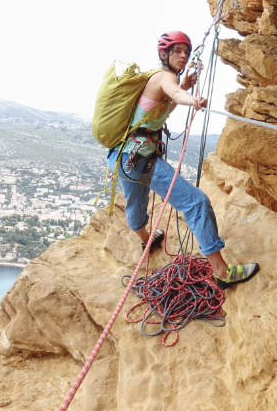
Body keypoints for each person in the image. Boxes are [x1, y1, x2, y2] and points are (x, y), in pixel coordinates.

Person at [107, 30, 259, 289]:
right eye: (177, 51)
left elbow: (165, 102)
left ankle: (147, 238)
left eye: (186, 52)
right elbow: (174, 94)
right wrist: (192, 99)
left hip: (122, 158)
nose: (183, 55)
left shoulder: (162, 79)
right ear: (164, 54)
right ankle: (222, 272)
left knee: (136, 203)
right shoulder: (165, 77)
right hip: (141, 159)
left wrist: (185, 88)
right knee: (197, 203)